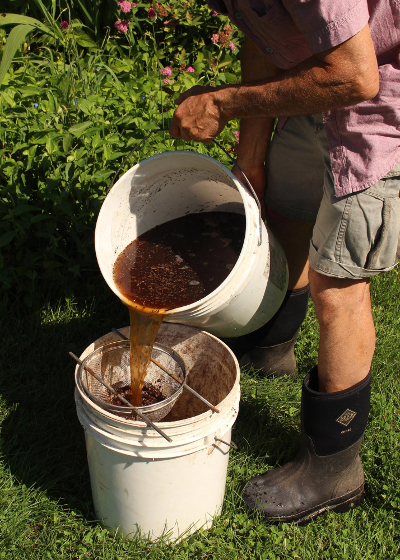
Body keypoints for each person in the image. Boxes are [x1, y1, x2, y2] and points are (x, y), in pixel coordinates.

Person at [169, 0, 400, 523]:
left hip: (378, 101)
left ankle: (334, 466)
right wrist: (252, 160)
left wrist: (222, 104)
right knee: (288, 212)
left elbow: (357, 76)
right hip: (315, 86)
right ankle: (273, 347)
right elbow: (263, 34)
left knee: (337, 284)